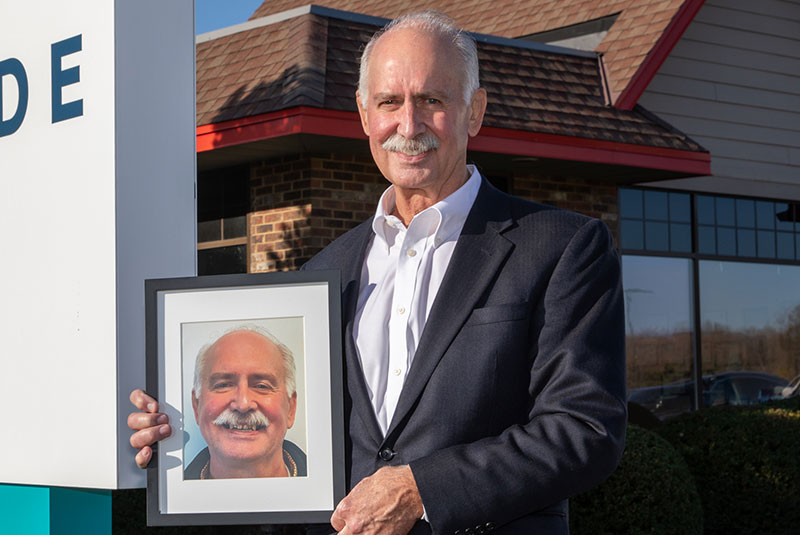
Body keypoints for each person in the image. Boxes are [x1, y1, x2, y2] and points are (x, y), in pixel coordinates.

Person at [130, 10, 626, 534]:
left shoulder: (561, 246)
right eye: (390, 102)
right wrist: (177, 439)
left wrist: (420, 489)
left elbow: (584, 428)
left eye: (433, 100)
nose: (408, 125)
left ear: (474, 112)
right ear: (366, 116)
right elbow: (292, 449)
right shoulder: (325, 273)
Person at [186, 326, 306, 479]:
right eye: (223, 385)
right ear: (197, 406)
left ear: (291, 408)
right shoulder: (170, 496)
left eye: (262, 386)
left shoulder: (335, 485)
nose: (243, 404)